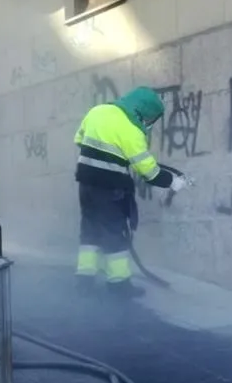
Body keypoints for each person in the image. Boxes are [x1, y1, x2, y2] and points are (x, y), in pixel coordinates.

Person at [72, 86, 189, 298]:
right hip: (110, 189)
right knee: (115, 234)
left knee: (89, 229)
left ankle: (84, 280)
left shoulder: (97, 111)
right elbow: (150, 173)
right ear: (144, 112)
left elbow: (79, 139)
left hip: (86, 185)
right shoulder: (132, 131)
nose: (149, 123)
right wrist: (172, 182)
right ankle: (119, 285)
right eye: (150, 118)